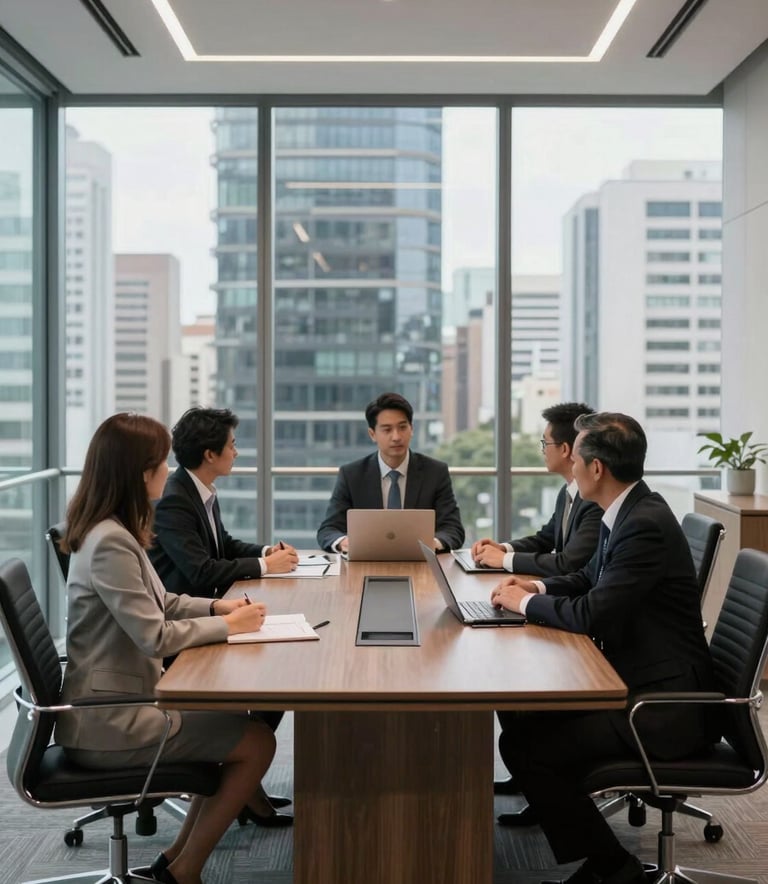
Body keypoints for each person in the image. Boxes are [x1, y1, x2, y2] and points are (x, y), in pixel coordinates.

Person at [56, 413, 290, 884]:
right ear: (140, 473)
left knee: (237, 730)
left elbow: (166, 601)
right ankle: (185, 871)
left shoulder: (114, 530)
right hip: (111, 723)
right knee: (257, 741)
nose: (168, 471)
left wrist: (219, 609)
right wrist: (230, 629)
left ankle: (176, 862)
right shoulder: (110, 544)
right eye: (161, 463)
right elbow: (154, 636)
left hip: (117, 704)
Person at [489, 412, 719, 884]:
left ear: (597, 469)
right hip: (636, 679)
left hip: (664, 709)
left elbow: (592, 612)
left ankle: (613, 867)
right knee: (523, 717)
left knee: (526, 745)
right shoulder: (629, 510)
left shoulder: (643, 524)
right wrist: (531, 585)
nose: (570, 462)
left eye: (578, 454)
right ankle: (601, 856)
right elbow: (586, 579)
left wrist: (527, 603)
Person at [150, 407, 299, 598]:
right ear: (210, 455)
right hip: (186, 614)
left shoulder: (201, 489)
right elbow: (201, 570)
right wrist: (267, 565)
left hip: (211, 602)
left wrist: (267, 552)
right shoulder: (173, 501)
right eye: (231, 446)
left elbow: (224, 546)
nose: (235, 453)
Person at [316, 392, 465, 553]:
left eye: (402, 427)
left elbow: (453, 528)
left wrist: (433, 543)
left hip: (421, 564)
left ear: (411, 429)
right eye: (387, 430)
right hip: (367, 563)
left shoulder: (435, 472)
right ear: (372, 434)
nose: (396, 437)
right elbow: (328, 530)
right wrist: (344, 542)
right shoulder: (352, 475)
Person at [472, 402, 601, 577]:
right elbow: (544, 539)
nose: (543, 451)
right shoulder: (567, 492)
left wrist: (503, 560)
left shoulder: (595, 500)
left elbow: (567, 563)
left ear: (564, 449)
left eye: (544, 443)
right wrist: (503, 548)